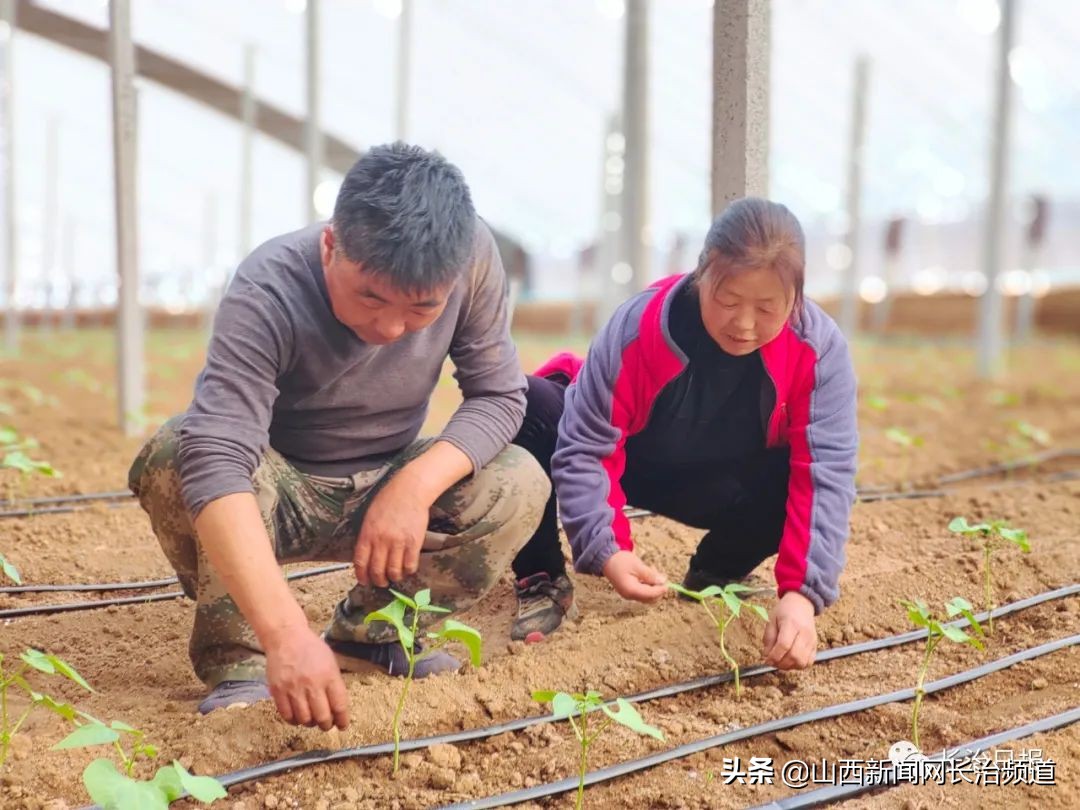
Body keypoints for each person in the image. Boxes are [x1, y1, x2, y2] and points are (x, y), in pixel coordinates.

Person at [128, 143, 560, 730]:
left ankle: (374, 636)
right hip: (277, 490)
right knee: (179, 450)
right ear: (331, 246)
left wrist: (411, 488)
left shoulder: (473, 257)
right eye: (369, 297)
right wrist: (288, 634)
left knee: (517, 480)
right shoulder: (269, 287)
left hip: (386, 482)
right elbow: (219, 454)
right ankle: (246, 656)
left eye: (420, 310)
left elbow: (499, 395)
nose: (388, 328)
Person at [528, 197, 858, 671]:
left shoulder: (818, 352)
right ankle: (540, 576)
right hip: (638, 461)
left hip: (724, 483)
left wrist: (802, 595)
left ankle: (717, 571)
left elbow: (825, 475)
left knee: (804, 467)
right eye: (727, 301)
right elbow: (585, 447)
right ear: (701, 275)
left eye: (767, 308)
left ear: (797, 299)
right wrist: (608, 550)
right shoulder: (639, 328)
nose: (744, 325)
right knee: (533, 404)